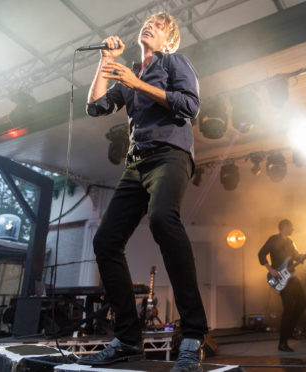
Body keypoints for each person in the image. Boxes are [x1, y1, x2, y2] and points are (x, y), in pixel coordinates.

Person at [78, 12, 208, 371]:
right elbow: (95, 107)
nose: (149, 25)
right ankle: (127, 340)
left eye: (159, 24)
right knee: (105, 242)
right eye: (147, 21)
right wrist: (105, 62)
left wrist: (137, 83)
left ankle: (193, 334)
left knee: (163, 220)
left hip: (170, 154)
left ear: (169, 40)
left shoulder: (174, 62)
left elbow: (190, 106)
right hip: (136, 164)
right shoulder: (128, 72)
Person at [258, 219, 306, 352]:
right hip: (280, 278)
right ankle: (282, 343)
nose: (293, 229)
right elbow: (261, 254)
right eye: (291, 227)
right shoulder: (273, 239)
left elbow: (296, 256)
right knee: (288, 308)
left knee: (303, 302)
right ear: (285, 227)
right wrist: (271, 270)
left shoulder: (290, 242)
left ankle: (289, 331)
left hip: (291, 276)